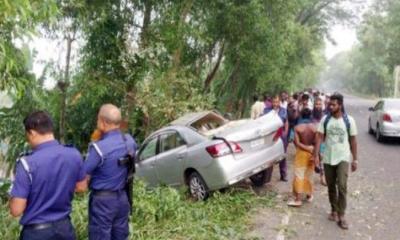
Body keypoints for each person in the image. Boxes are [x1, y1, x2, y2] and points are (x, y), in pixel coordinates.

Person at [9, 111, 87, 240]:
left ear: (32, 133)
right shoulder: (74, 155)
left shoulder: (27, 163)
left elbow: (16, 210)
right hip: (65, 230)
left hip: (37, 233)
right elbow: (81, 188)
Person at [84, 104, 137, 240]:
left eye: (97, 120)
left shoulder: (99, 149)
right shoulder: (129, 141)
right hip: (123, 199)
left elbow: (83, 175)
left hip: (103, 202)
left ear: (103, 121)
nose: (96, 123)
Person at [314, 93, 358, 230]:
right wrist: (316, 155)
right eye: (329, 104)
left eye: (333, 104)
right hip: (328, 157)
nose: (330, 106)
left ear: (340, 105)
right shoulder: (325, 120)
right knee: (331, 186)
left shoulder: (349, 120)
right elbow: (319, 137)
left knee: (343, 186)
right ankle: (334, 210)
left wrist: (355, 159)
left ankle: (342, 214)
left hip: (343, 157)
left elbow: (353, 140)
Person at [287, 108, 316, 207]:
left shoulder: (297, 128)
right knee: (309, 174)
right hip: (312, 152)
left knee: (299, 175)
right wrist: (312, 151)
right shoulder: (315, 128)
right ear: (310, 115)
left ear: (301, 115)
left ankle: (298, 199)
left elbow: (297, 143)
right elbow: (317, 143)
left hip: (301, 153)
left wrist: (306, 148)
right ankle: (309, 195)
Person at [264, 95, 289, 181]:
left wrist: (285, 133)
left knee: (282, 154)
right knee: (268, 155)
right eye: (274, 102)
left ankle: (283, 174)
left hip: (281, 135)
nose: (275, 104)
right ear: (271, 102)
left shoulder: (283, 110)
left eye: (277, 102)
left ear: (279, 102)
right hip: (270, 135)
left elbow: (286, 122)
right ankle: (267, 176)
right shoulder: (266, 110)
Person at [312, 97, 327, 186]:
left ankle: (322, 177)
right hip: (311, 141)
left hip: (322, 141)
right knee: (312, 159)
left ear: (322, 105)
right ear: (314, 105)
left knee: (321, 159)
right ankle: (309, 179)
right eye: (316, 104)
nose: (318, 106)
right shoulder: (310, 115)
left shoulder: (325, 116)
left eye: (319, 104)